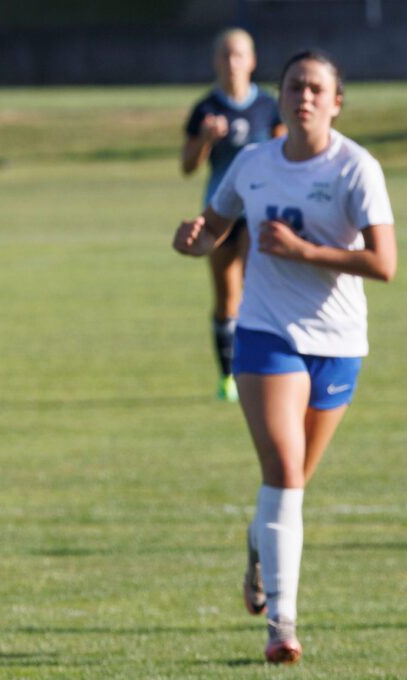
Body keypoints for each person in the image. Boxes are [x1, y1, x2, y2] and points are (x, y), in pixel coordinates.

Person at [172, 49, 396, 664]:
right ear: (281, 96)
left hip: (340, 341)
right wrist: (194, 240)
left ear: (336, 101)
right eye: (294, 86)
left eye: (316, 88)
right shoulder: (253, 163)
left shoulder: (357, 168)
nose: (304, 96)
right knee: (283, 472)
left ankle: (259, 543)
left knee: (294, 480)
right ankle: (284, 625)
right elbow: (214, 227)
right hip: (266, 333)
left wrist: (303, 250)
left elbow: (384, 264)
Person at [180, 28, 283, 403]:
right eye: (225, 55)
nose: (232, 62)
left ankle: (262, 368)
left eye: (238, 54)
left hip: (261, 213)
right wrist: (206, 140)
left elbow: (286, 152)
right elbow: (187, 166)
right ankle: (227, 377)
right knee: (226, 297)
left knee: (258, 292)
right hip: (221, 211)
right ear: (216, 61)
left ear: (252, 60)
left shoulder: (269, 106)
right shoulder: (205, 109)